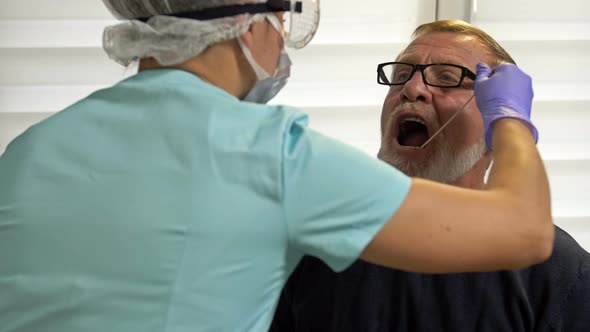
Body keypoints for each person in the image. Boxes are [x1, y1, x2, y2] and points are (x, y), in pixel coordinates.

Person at [0, 0, 552, 330]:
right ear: (250, 22)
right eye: (282, 19)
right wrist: (511, 121)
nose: (412, 91)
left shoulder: (31, 151)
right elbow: (522, 229)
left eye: (450, 78)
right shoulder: (272, 157)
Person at [270, 20, 590, 332]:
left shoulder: (558, 271)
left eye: (447, 78)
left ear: (496, 123)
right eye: (402, 75)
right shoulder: (319, 241)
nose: (412, 88)